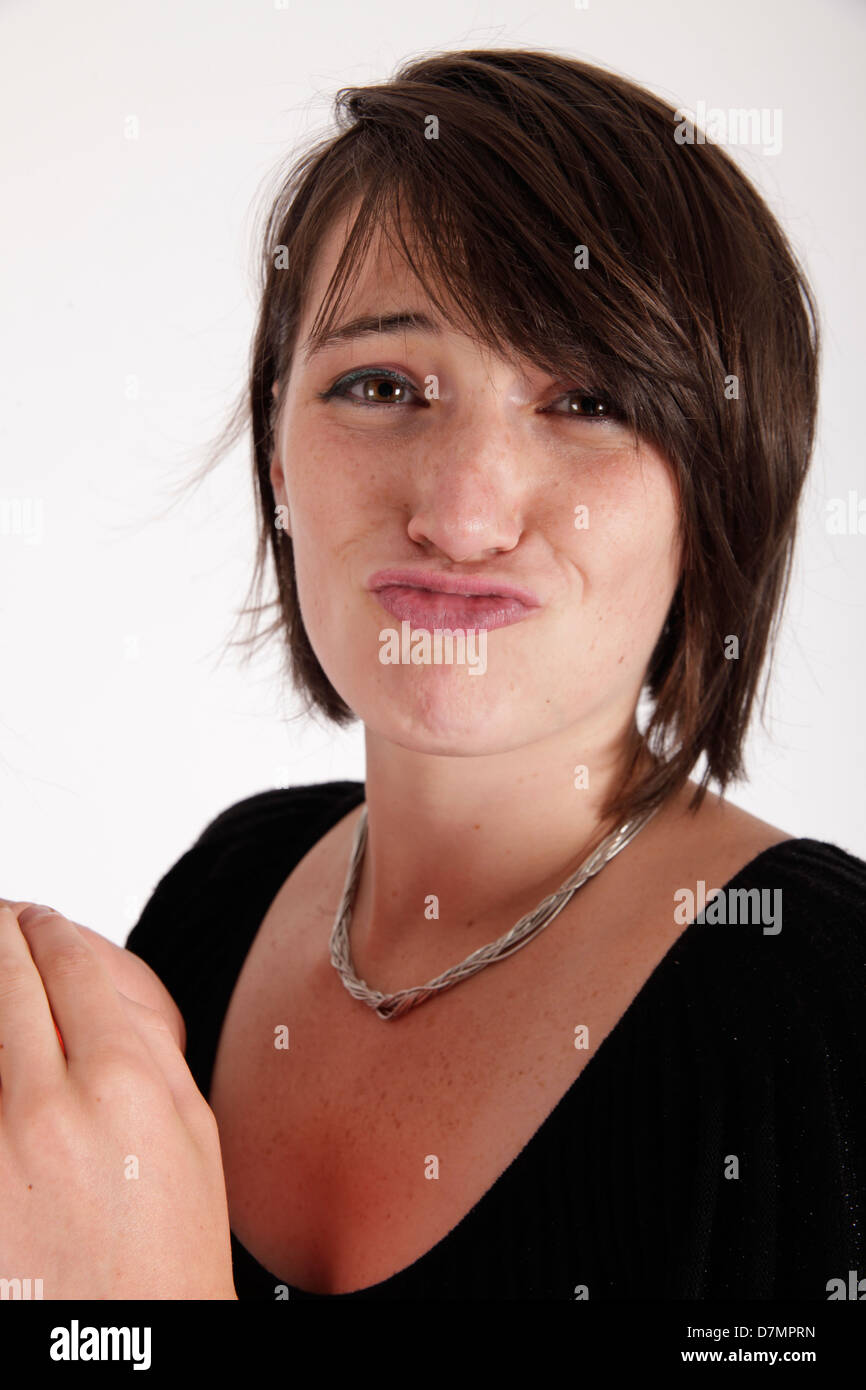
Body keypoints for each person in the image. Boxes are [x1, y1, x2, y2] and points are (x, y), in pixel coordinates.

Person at [3, 48, 865, 1301]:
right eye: (380, 385)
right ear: (280, 456)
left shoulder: (820, 1008)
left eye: (587, 401)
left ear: (721, 481)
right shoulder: (220, 896)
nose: (461, 514)